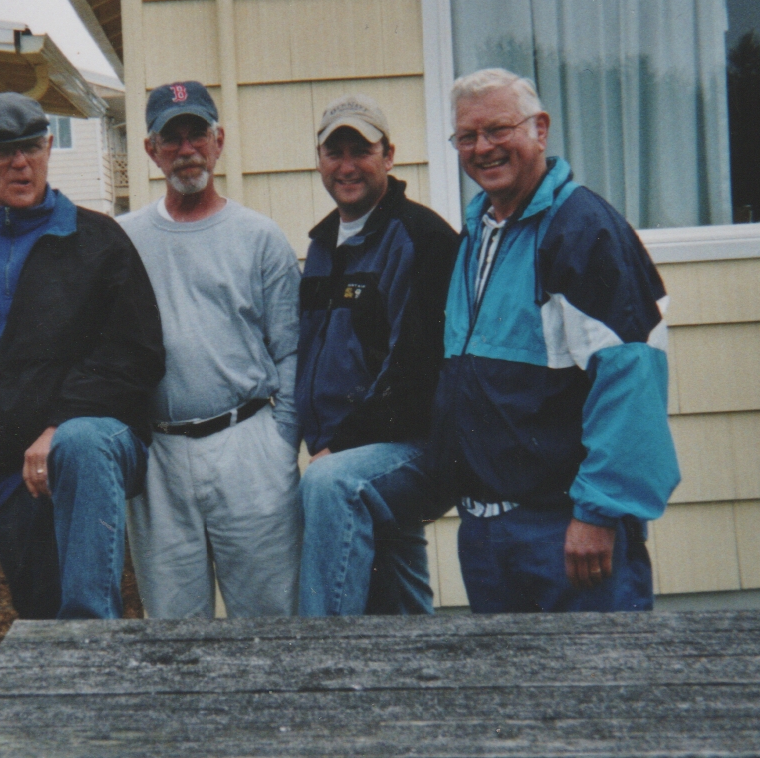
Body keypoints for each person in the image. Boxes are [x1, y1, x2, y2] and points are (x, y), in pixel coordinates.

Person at [433, 68, 679, 618]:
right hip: (488, 533)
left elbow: (629, 380)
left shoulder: (582, 230)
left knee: (598, 696)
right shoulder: (478, 234)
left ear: (539, 130)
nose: (483, 148)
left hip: (566, 535)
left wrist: (598, 513)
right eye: (467, 137)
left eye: (499, 129)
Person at [0, 92, 164, 620]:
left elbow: (134, 354)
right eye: (0, 151)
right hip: (3, 471)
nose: (19, 162)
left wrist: (57, 426)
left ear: (49, 147)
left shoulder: (98, 242)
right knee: (40, 613)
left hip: (91, 451)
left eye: (29, 146)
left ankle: (95, 647)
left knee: (80, 444)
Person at [118, 81, 302, 619]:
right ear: (151, 151)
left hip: (249, 449)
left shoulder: (260, 237)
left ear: (218, 140)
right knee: (174, 632)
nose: (185, 149)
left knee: (268, 623)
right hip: (160, 458)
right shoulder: (123, 239)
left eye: (196, 133)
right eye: (169, 138)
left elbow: (290, 351)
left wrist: (279, 442)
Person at [294, 95, 458, 616]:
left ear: (389, 156)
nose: (347, 166)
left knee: (331, 486)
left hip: (416, 445)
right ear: (319, 160)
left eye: (361, 151)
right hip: (358, 450)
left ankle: (326, 662)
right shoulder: (322, 246)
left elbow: (416, 371)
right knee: (398, 589)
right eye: (334, 151)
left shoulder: (421, 238)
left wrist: (340, 447)